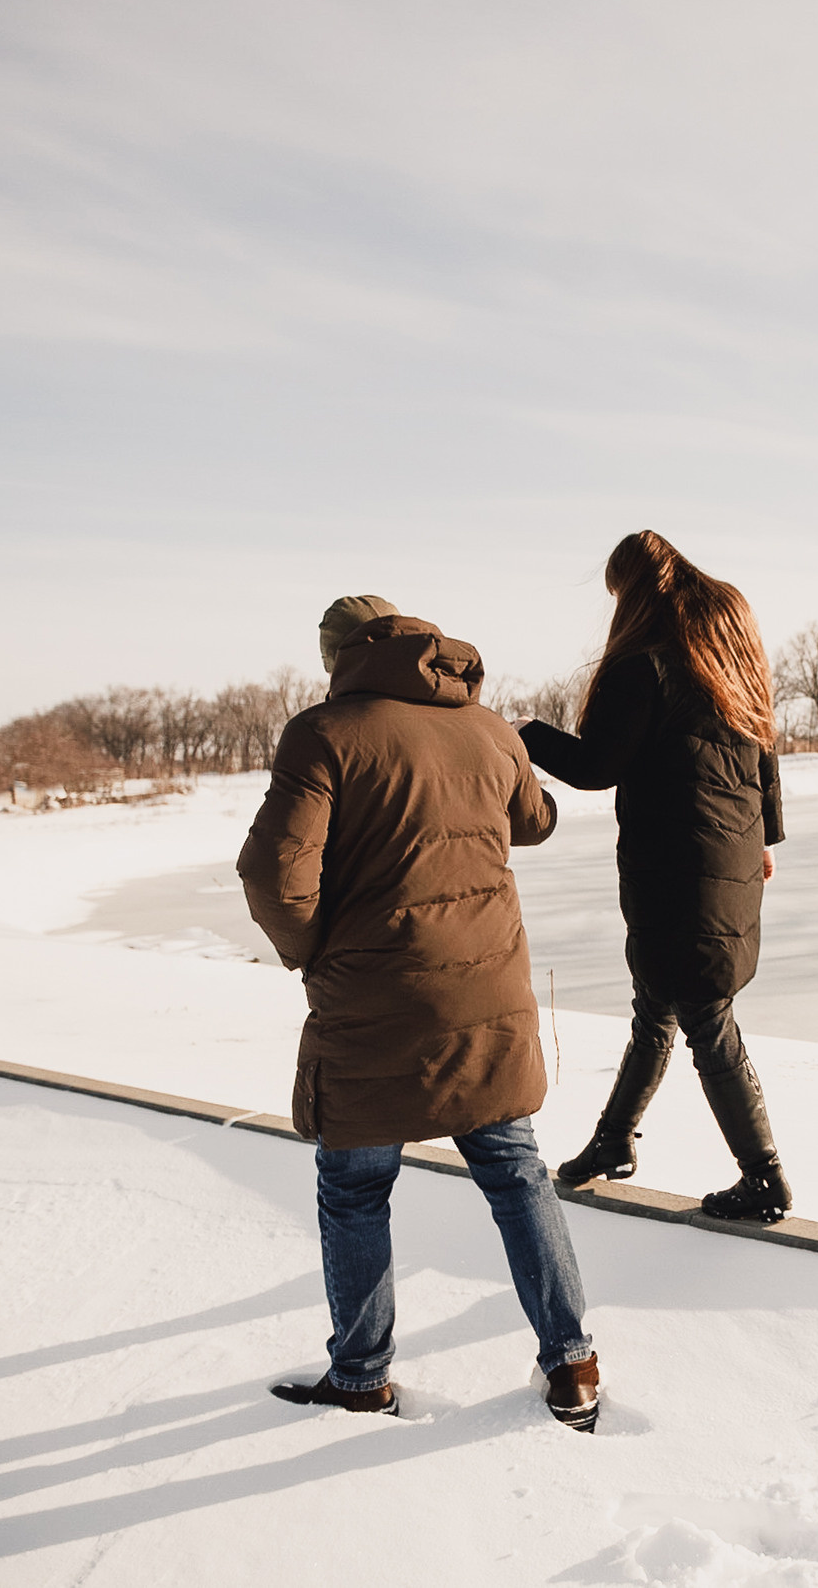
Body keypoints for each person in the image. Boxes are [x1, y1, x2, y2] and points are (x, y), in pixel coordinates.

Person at [239, 596, 601, 1430]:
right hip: (486, 992)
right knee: (517, 1173)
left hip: (374, 1003)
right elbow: (535, 821)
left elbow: (274, 875)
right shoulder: (487, 727)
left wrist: (312, 949)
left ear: (338, 657)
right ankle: (573, 1364)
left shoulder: (324, 734)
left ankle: (362, 1376)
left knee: (355, 1189)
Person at [519, 532, 793, 1224]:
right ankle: (614, 1138)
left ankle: (764, 1177)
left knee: (704, 1015)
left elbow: (596, 765)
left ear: (633, 592)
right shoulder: (725, 647)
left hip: (678, 865)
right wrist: (767, 836)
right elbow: (763, 744)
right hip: (728, 853)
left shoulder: (644, 663)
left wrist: (525, 733)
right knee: (657, 1005)